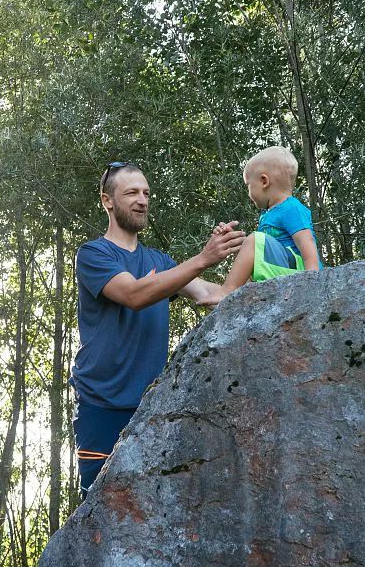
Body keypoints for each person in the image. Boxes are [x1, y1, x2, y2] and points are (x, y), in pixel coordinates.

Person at [71, 161, 245, 498]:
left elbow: (212, 294)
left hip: (152, 406)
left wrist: (263, 261)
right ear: (108, 201)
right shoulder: (93, 254)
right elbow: (134, 294)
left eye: (146, 193)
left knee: (149, 503)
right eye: (132, 192)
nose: (142, 200)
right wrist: (202, 258)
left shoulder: (161, 261)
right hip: (100, 406)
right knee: (100, 507)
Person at [200, 146, 321, 306]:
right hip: (282, 268)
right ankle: (239, 297)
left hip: (300, 271)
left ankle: (226, 291)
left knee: (254, 240)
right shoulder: (268, 214)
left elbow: (307, 242)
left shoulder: (291, 207)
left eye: (248, 186)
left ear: (264, 181)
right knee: (252, 245)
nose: (248, 193)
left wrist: (313, 279)